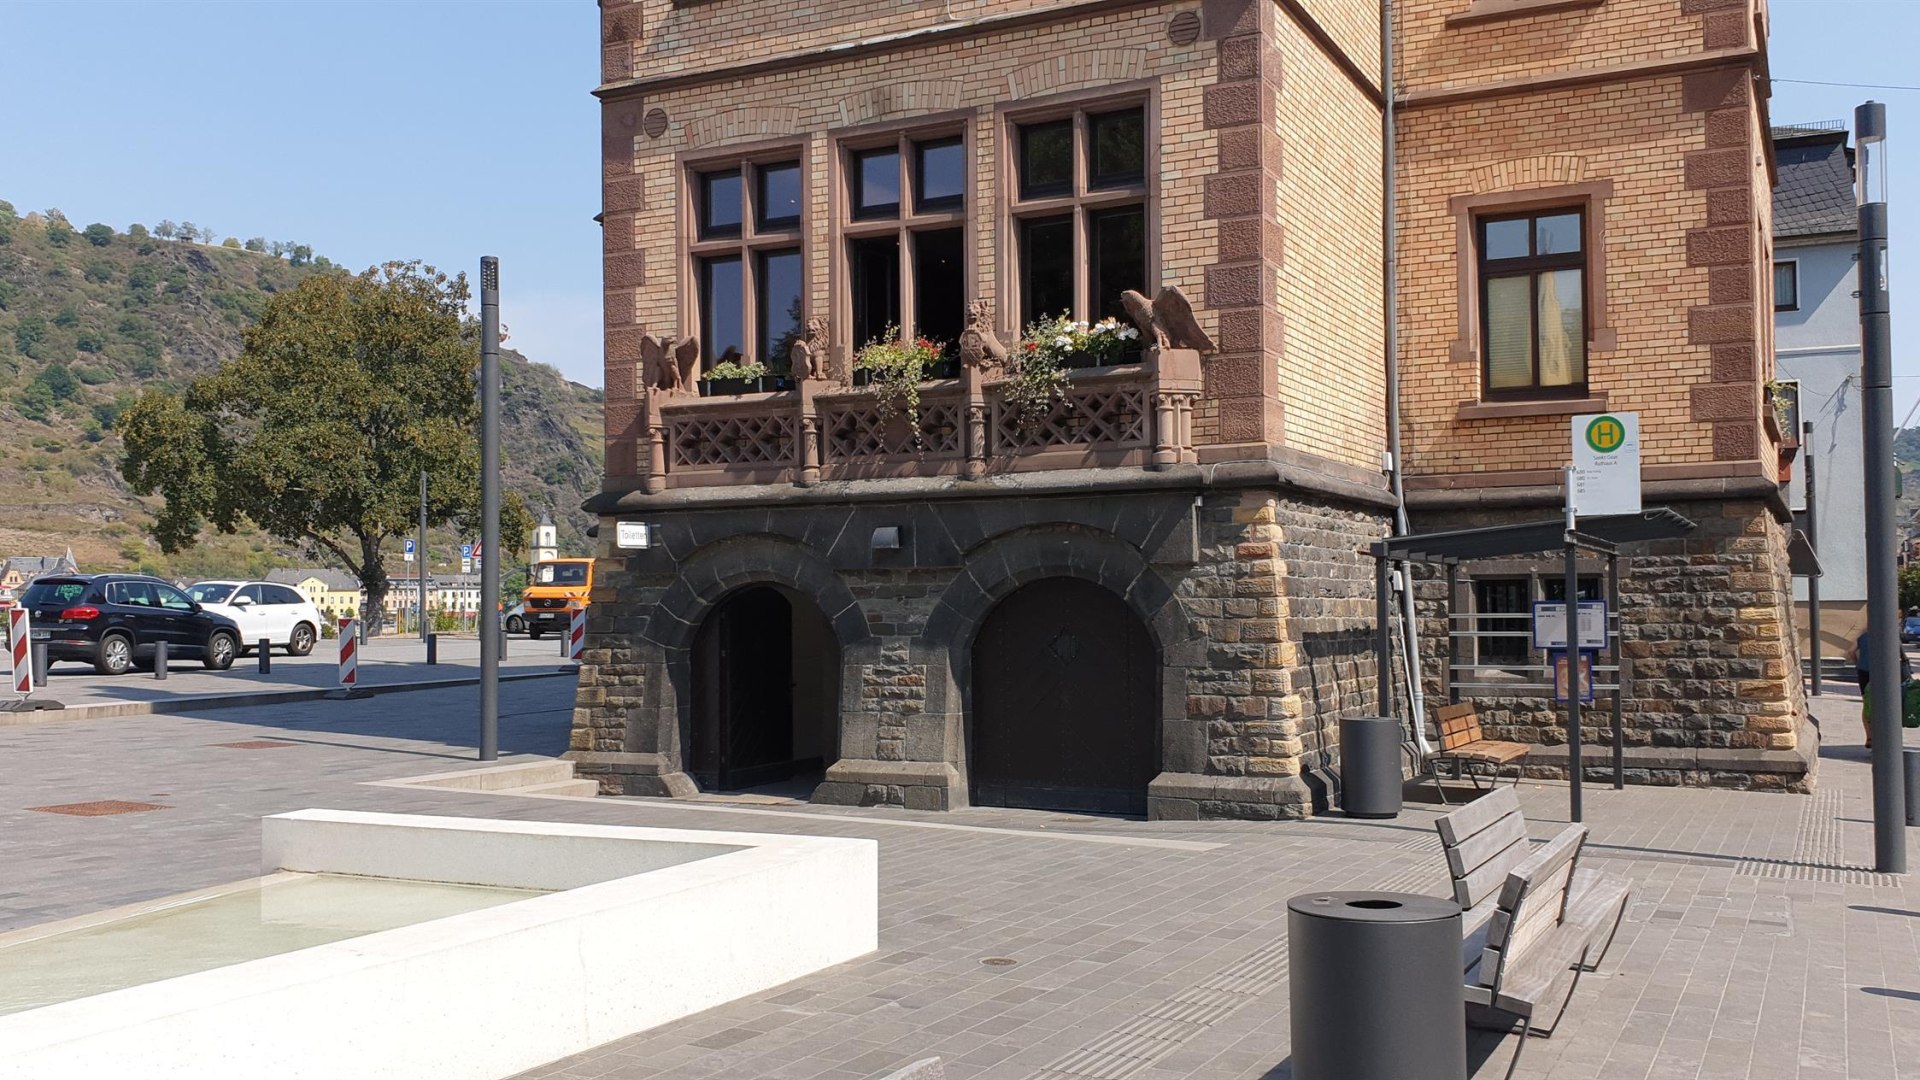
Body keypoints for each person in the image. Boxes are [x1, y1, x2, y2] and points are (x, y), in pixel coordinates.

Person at [1849, 630, 1912, 748]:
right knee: (1886, 703)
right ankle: (1887, 734)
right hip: (1884, 673)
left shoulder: (1863, 636)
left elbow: (1851, 651)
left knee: (1866, 703)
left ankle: (1869, 736)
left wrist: (1857, 664)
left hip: (1864, 673)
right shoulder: (1890, 635)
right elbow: (1901, 655)